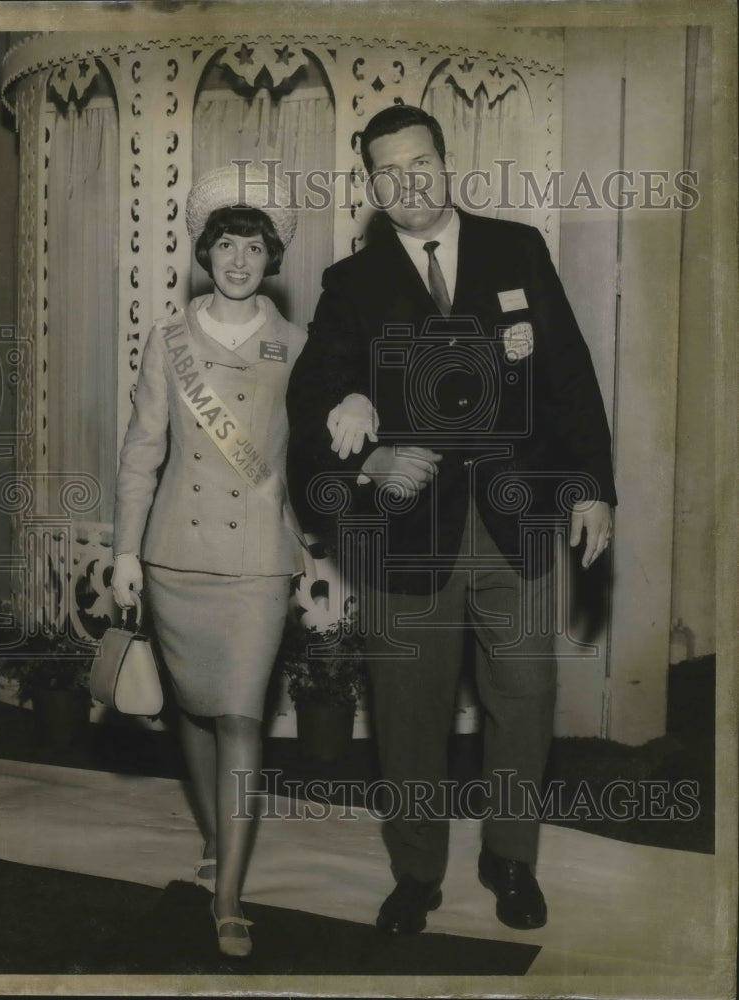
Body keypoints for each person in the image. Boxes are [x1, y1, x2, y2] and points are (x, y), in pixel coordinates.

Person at [287, 105, 617, 935]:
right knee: (407, 712)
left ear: (445, 160)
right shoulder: (350, 286)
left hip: (519, 521)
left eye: (420, 163)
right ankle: (415, 872)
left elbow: (570, 374)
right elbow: (308, 406)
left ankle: (511, 859)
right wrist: (367, 459)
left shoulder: (516, 249)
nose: (409, 182)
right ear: (371, 184)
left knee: (527, 697)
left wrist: (593, 487)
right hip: (406, 537)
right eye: (388, 171)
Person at [111, 164, 306, 958]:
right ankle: (213, 838)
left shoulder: (297, 345)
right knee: (191, 709)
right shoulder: (168, 341)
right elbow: (139, 454)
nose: (237, 260)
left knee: (239, 713)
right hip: (176, 556)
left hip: (258, 557)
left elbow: (315, 453)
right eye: (224, 244)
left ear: (270, 259)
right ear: (205, 252)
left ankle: (227, 893)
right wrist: (125, 551)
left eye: (252, 247)